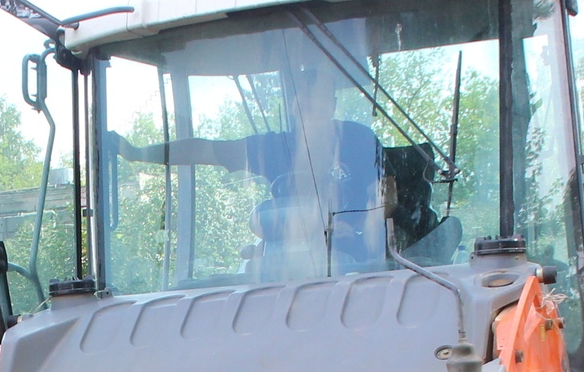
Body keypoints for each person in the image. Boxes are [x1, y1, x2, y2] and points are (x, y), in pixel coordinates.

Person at [106, 55, 385, 277]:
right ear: (292, 104)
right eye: (303, 97)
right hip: (286, 269)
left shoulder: (359, 140)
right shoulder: (273, 147)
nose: (309, 104)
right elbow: (204, 149)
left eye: (318, 97)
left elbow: (387, 196)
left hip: (358, 268)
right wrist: (137, 152)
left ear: (332, 104)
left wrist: (356, 229)